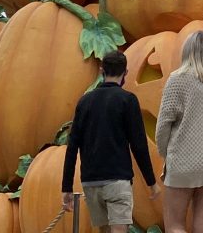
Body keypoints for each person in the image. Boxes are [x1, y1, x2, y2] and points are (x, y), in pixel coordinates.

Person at [61, 50, 160, 233]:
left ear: (101, 71)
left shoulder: (85, 102)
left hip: (91, 182)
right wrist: (151, 182)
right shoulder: (127, 101)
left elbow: (72, 146)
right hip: (117, 180)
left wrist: (66, 186)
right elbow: (138, 145)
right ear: (126, 73)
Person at [156, 31, 203, 233]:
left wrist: (165, 154)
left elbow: (163, 124)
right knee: (202, 227)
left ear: (186, 50)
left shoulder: (178, 79)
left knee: (175, 225)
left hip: (184, 160)